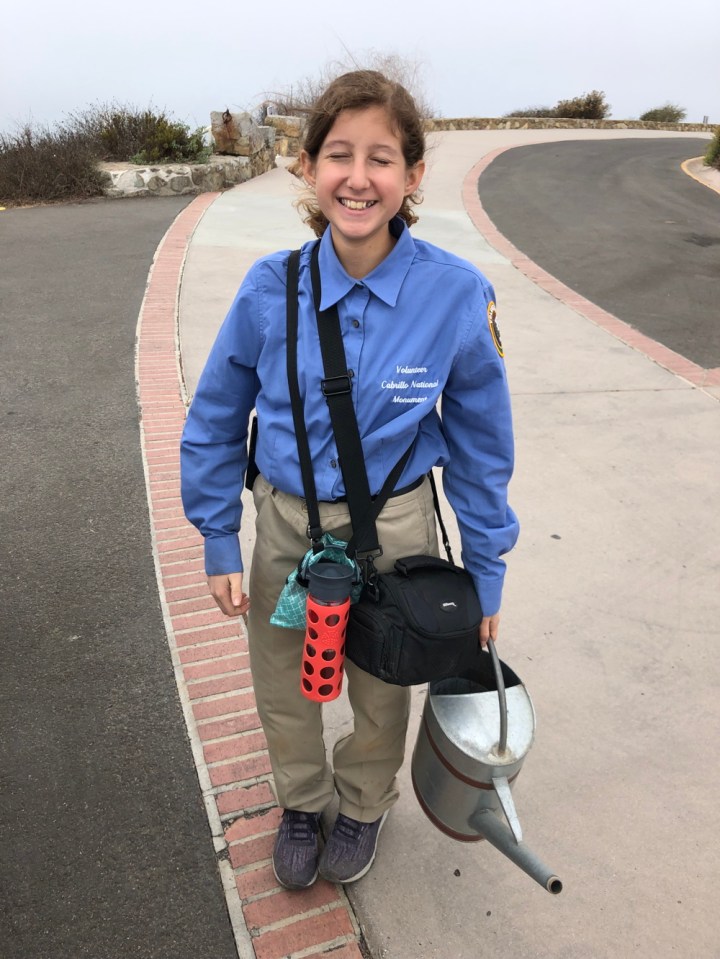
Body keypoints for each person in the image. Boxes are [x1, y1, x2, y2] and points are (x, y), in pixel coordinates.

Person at [180, 70, 519, 891]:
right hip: (286, 527)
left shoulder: (457, 294)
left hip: (396, 532)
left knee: (380, 686)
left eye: (381, 158)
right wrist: (219, 534)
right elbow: (218, 415)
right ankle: (301, 800)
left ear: (412, 175)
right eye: (339, 155)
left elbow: (480, 442)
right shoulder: (270, 288)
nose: (358, 177)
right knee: (282, 679)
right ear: (306, 167)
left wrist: (489, 565)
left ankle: (364, 802)